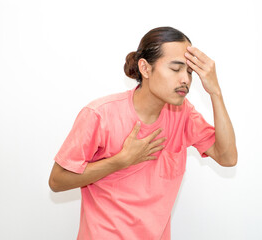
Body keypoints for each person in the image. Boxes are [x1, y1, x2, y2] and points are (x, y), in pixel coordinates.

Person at [49, 26, 237, 240]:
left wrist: (215, 91)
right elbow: (57, 181)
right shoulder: (100, 115)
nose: (185, 79)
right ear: (145, 69)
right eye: (176, 69)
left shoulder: (183, 114)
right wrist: (121, 160)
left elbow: (228, 157)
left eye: (189, 71)